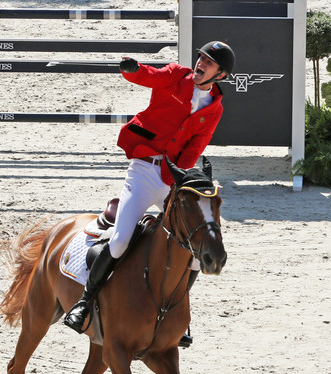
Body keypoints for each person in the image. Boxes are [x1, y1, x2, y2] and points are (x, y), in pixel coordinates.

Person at [64, 41, 236, 345]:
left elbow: (196, 145)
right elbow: (149, 76)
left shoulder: (216, 108)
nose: (200, 63)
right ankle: (84, 303)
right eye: (200, 57)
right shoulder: (176, 76)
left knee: (195, 255)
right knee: (119, 241)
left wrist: (177, 179)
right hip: (144, 171)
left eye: (208, 62)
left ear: (219, 74)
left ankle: (177, 316)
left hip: (173, 177)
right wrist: (133, 70)